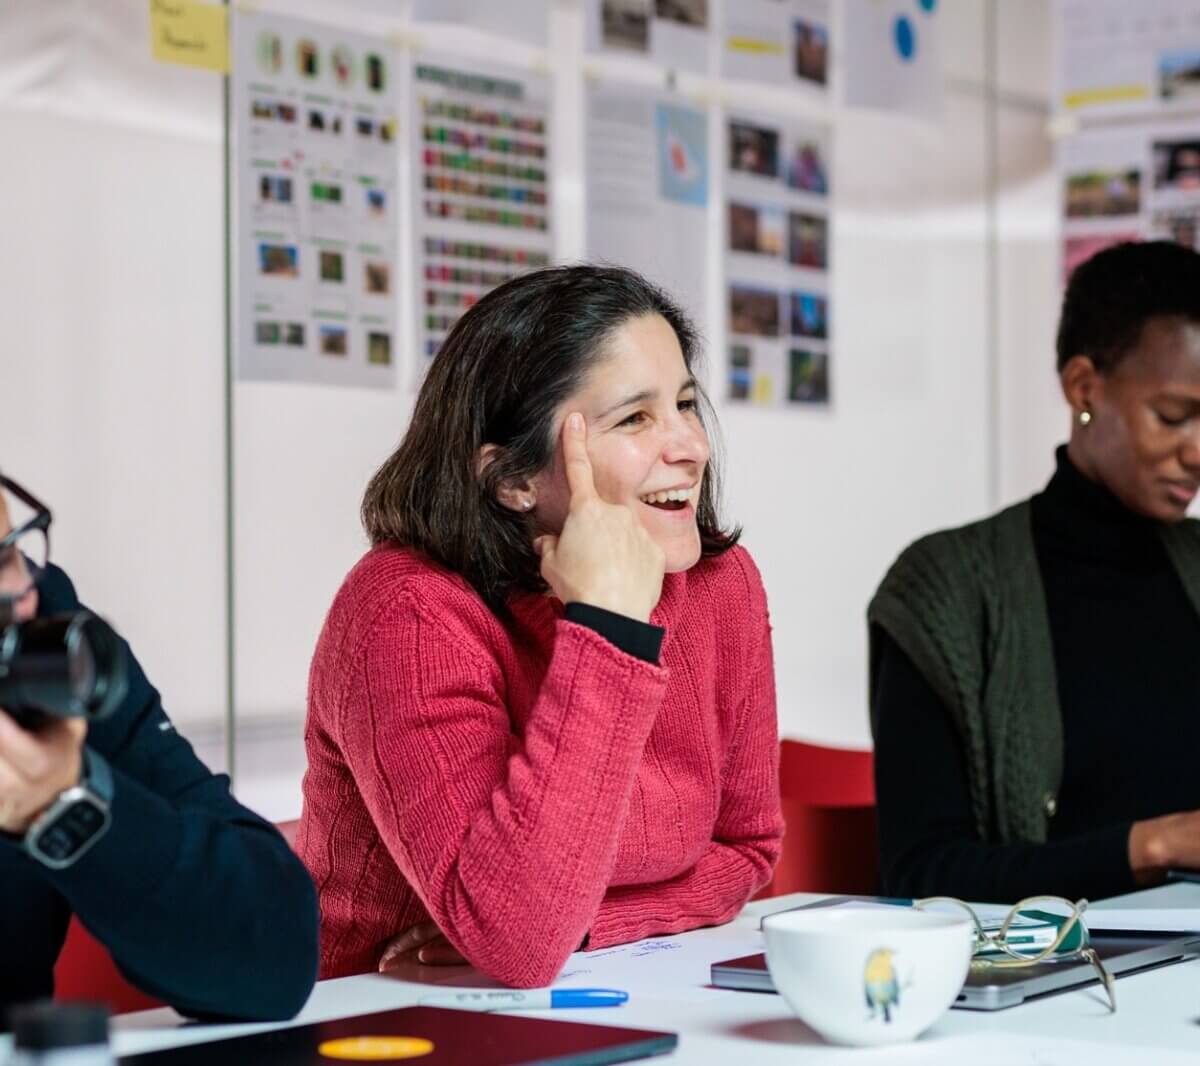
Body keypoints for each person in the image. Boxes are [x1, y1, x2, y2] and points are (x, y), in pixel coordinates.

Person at [298, 265, 783, 987]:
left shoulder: (720, 585)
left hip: (614, 985)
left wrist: (594, 924)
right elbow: (517, 939)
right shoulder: (407, 613)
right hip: (376, 1014)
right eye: (636, 418)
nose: (690, 445)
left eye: (684, 404)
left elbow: (746, 850)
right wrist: (610, 629)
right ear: (512, 479)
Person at [869, 240, 1200, 903]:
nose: (1196, 452)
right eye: (1172, 417)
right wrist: (1154, 846)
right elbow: (921, 873)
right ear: (1083, 388)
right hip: (1056, 985)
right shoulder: (944, 593)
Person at [0, 472, 319, 1017]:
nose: (13, 599)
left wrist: (67, 806)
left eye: (6, 559)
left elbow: (274, 952)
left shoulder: (47, 655)